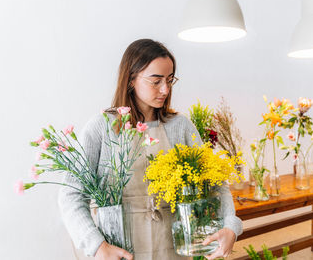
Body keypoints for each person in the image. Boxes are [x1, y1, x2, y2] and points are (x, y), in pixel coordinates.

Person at [58, 39, 243, 260]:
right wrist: (97, 246)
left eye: (170, 80)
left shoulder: (180, 127)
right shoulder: (101, 128)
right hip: (121, 252)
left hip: (174, 251)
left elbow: (215, 184)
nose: (165, 89)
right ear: (131, 79)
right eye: (155, 81)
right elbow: (70, 194)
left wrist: (231, 226)